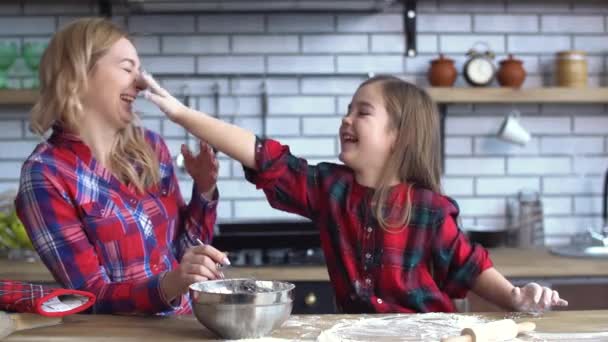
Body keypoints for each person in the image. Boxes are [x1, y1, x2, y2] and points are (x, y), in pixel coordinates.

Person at [143, 73, 569, 314]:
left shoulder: (430, 211)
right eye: (347, 110)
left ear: (398, 136)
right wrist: (181, 113)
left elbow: (470, 268)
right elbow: (260, 154)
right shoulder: (331, 190)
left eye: (362, 111)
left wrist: (517, 296)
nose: (346, 119)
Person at [14, 17, 229, 316]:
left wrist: (204, 191)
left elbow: (183, 251)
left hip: (188, 330)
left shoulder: (151, 149)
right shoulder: (45, 175)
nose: (141, 83)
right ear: (80, 75)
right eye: (128, 68)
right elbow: (90, 296)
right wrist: (171, 283)